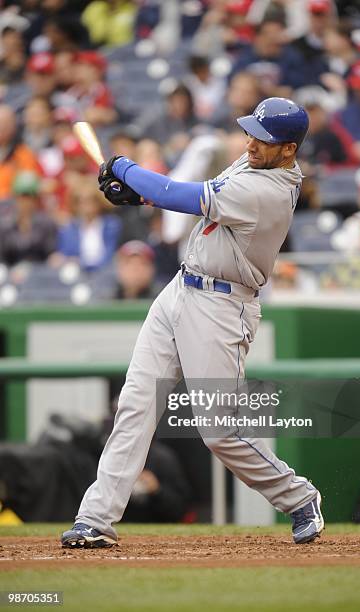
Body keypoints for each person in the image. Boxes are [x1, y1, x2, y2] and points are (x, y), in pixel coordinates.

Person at [61, 97, 324, 549]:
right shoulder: (253, 162)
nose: (251, 143)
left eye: (265, 139)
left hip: (223, 307)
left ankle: (299, 496)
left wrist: (125, 168)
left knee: (219, 430)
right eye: (251, 133)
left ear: (289, 150)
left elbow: (177, 196)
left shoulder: (270, 191)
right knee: (135, 403)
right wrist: (136, 192)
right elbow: (188, 198)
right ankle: (95, 518)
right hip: (181, 288)